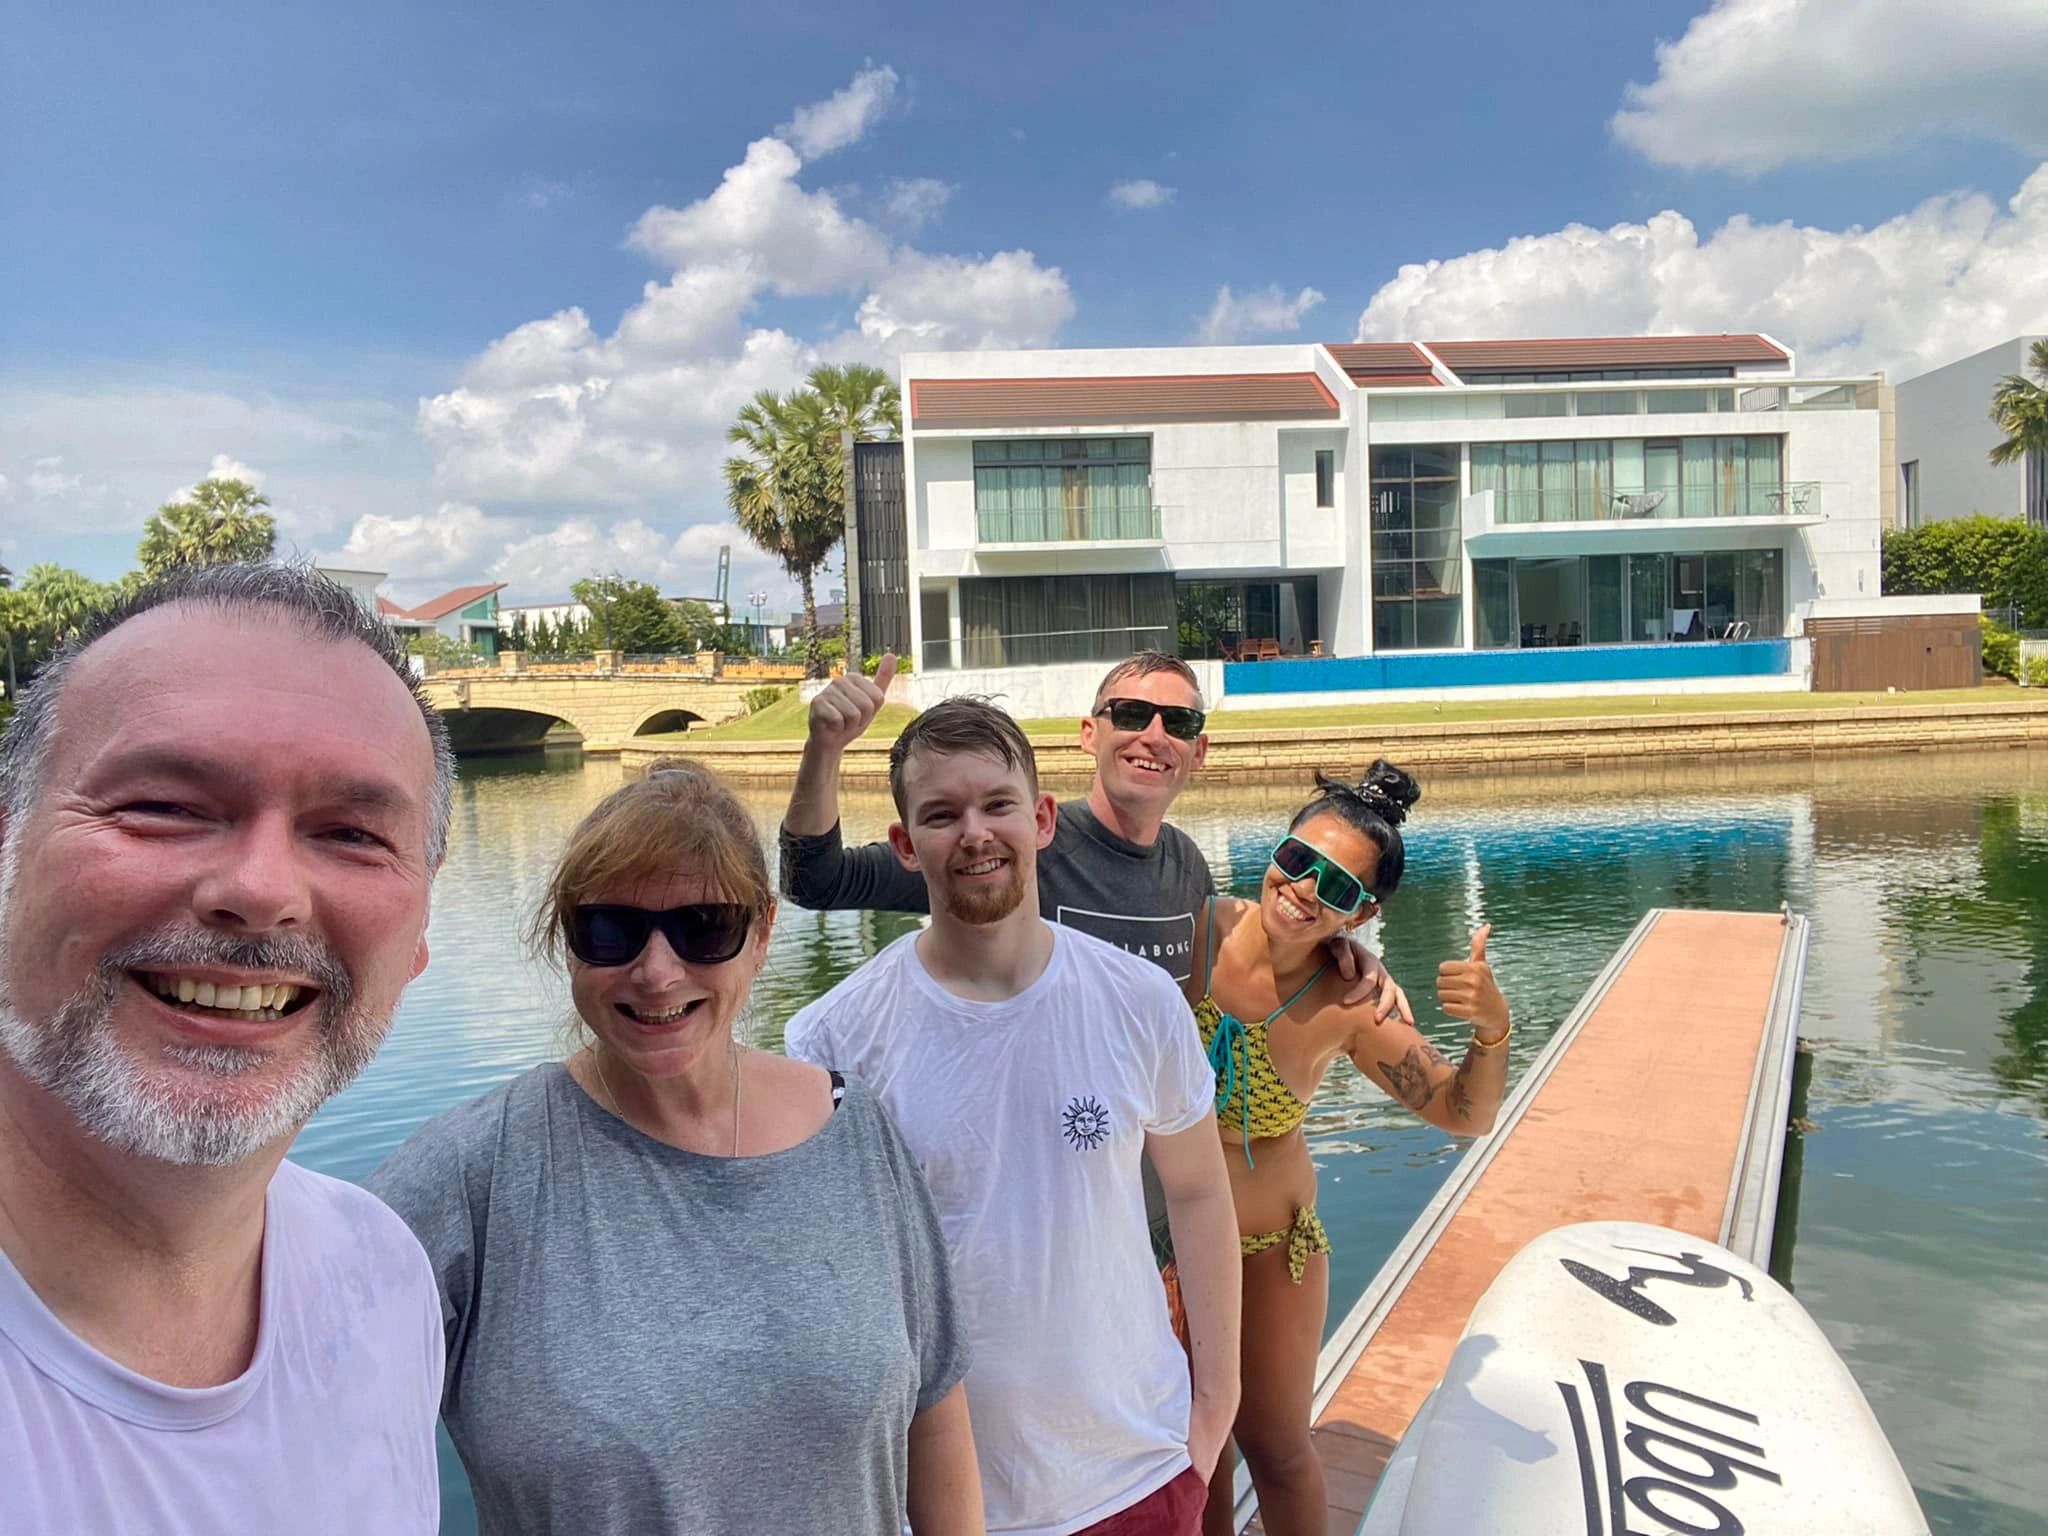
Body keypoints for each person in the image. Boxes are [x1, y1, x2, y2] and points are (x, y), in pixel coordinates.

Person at [369, 758, 982, 1536]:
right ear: (569, 942)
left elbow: (936, 1413)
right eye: (611, 930)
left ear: (761, 933)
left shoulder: (855, 1131)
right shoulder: (473, 1174)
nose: (656, 972)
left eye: (704, 928)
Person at [0, 561, 455, 1534]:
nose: (260, 887)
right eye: (161, 806)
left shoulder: (382, 1276)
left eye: (350, 833)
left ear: (419, 933)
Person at [782, 650, 1411, 1281]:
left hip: (1149, 1225)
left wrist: (1343, 948)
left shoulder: (1186, 867)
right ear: (1091, 733)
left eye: (1180, 723)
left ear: (1200, 751)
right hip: (1031, 1230)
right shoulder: (1011, 845)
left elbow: (1241, 961)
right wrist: (824, 750)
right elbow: (817, 881)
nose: (1154, 736)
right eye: (1133, 713)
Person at [786, 700, 1242, 1536]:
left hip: (1137, 1470)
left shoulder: (1139, 1001)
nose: (974, 834)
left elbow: (1202, 1195)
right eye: (940, 814)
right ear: (903, 844)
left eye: (997, 805)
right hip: (942, 1501)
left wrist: (1214, 1407)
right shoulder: (832, 1039)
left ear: (1040, 820)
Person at [1186, 761, 1510, 1536]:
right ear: (1277, 850)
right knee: (1183, 1454)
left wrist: (1492, 1028)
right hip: (1159, 1246)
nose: (1302, 890)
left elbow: (1464, 1112)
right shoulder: (1192, 927)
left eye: (1334, 888)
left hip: (1270, 1251)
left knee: (1275, 1447)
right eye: (1298, 861)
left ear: (1360, 916)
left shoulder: (1351, 1005)